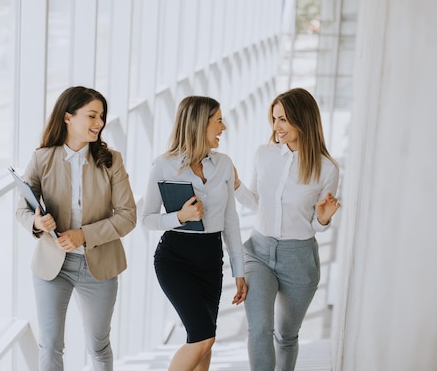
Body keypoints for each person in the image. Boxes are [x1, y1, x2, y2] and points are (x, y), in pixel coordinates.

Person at [15, 86, 137, 371]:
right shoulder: (42, 158)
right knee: (50, 343)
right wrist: (37, 222)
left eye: (102, 116)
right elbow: (21, 209)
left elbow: (128, 216)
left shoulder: (111, 161)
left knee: (98, 344)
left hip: (100, 266)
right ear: (68, 117)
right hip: (52, 266)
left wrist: (83, 235)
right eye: (92, 115)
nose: (99, 123)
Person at [233, 87, 341, 371]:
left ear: (302, 119)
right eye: (274, 119)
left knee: (286, 336)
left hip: (299, 258)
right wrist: (235, 185)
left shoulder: (327, 169)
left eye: (282, 119)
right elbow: (256, 202)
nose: (276, 127)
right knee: (259, 330)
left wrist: (324, 218)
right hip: (258, 252)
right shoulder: (264, 154)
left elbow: (316, 225)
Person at [142, 95, 248, 371]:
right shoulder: (162, 165)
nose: (223, 128)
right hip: (175, 259)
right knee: (203, 336)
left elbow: (231, 220)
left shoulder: (224, 164)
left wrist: (240, 270)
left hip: (211, 261)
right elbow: (147, 219)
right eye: (219, 121)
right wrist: (180, 217)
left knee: (204, 340)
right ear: (200, 124)